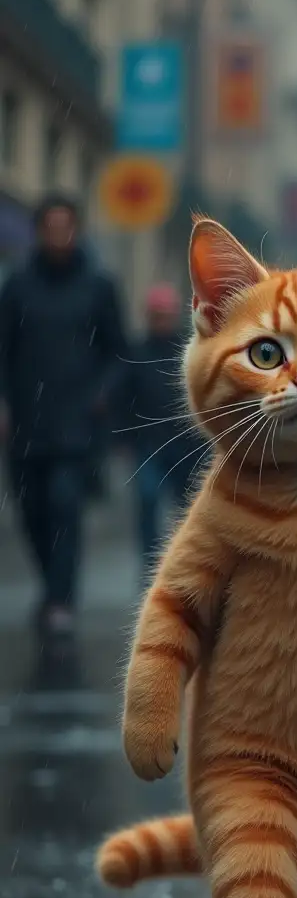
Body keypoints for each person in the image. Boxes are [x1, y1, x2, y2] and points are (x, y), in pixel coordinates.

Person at [0, 194, 126, 635]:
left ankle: (60, 601)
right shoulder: (17, 285)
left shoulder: (98, 286)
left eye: (65, 226)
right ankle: (50, 586)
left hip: (76, 425)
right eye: (50, 226)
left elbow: (117, 353)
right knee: (31, 513)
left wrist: (102, 394)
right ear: (38, 232)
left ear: (77, 231)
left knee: (64, 507)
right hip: (26, 422)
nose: (58, 234)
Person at [118, 284, 205, 581]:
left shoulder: (188, 350)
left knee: (188, 510)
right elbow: (124, 400)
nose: (161, 322)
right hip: (148, 447)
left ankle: (185, 565)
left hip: (187, 445)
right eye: (157, 316)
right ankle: (151, 568)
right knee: (148, 501)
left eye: (165, 316)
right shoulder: (136, 353)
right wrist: (124, 440)